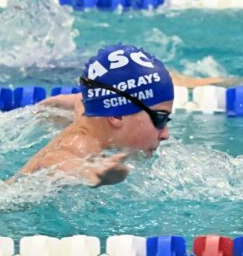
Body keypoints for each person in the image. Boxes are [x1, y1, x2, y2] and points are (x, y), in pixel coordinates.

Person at [9, 44, 177, 187]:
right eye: (160, 119)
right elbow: (53, 159)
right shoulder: (83, 142)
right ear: (117, 116)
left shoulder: (93, 110)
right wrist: (86, 169)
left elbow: (81, 99)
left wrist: (61, 102)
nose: (165, 134)